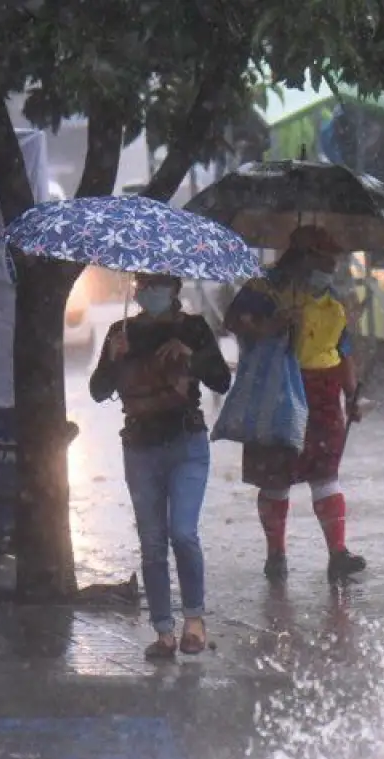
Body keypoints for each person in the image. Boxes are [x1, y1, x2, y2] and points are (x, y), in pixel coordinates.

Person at [89, 273, 231, 659]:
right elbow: (99, 390)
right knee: (152, 542)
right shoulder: (120, 332)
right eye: (143, 284)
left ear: (173, 290)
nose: (149, 291)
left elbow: (221, 380)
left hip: (186, 442)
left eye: (158, 285)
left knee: (182, 533)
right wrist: (112, 358)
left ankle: (195, 620)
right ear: (135, 291)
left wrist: (192, 355)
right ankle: (164, 631)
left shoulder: (194, 328)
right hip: (139, 446)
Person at [224, 225, 367, 584]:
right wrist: (272, 324)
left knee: (326, 475)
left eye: (333, 262)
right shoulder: (263, 287)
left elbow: (343, 349)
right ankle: (276, 553)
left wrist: (351, 396)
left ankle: (338, 553)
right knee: (276, 478)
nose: (330, 268)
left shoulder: (332, 302)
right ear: (303, 255)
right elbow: (233, 322)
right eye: (323, 260)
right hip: (277, 391)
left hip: (323, 395)